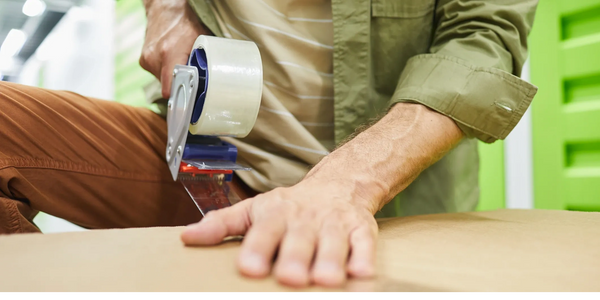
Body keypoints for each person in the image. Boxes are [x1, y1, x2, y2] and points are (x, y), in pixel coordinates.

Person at [0, 0, 538, 288]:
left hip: (380, 198)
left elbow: (485, 39)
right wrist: (165, 9)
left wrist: (343, 187)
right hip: (208, 166)